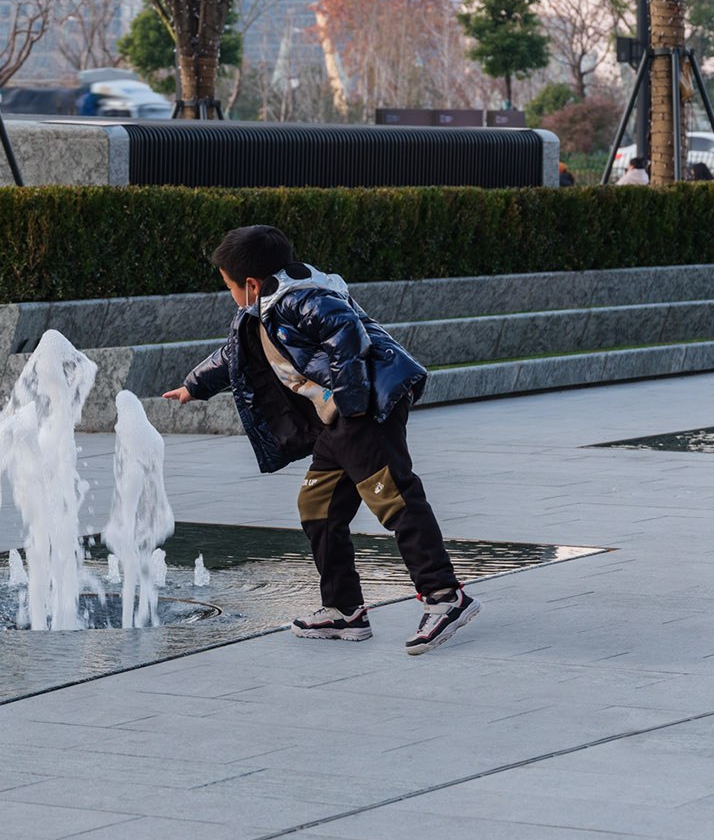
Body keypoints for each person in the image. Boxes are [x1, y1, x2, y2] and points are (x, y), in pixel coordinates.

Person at [162, 225, 480, 655]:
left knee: (393, 497)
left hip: (364, 407)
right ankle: (344, 610)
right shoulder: (263, 309)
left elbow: (348, 333)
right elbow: (232, 356)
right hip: (343, 417)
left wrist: (351, 406)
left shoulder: (303, 298)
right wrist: (192, 386)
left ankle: (445, 597)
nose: (231, 296)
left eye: (231, 288)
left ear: (251, 284)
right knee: (318, 504)